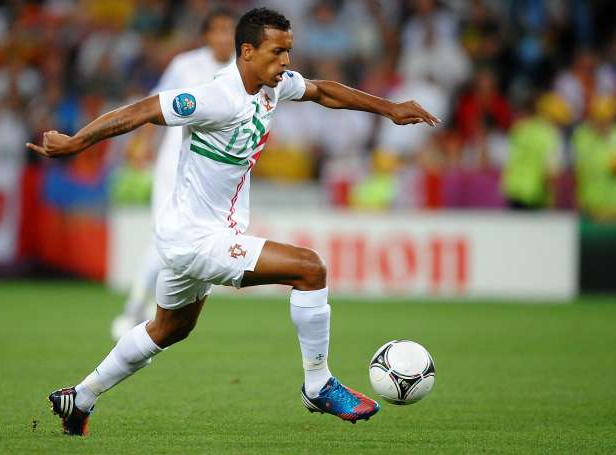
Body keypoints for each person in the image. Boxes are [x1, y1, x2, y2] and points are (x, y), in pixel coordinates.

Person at [27, 7, 439, 435]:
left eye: (288, 51)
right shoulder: (216, 97)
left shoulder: (273, 85)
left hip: (198, 235)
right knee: (310, 269)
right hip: (195, 239)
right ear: (247, 51)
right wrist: (76, 143)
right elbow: (144, 110)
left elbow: (323, 92)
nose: (286, 61)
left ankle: (81, 397)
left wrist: (389, 108)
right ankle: (318, 384)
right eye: (277, 52)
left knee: (168, 329)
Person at [111, 7, 236, 341]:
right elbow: (155, 103)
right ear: (207, 35)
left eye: (230, 30)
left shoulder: (242, 70)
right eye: (219, 30)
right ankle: (135, 307)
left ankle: (156, 310)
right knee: (165, 234)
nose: (225, 37)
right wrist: (143, 143)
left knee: (194, 240)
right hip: (174, 164)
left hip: (216, 170)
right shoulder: (185, 65)